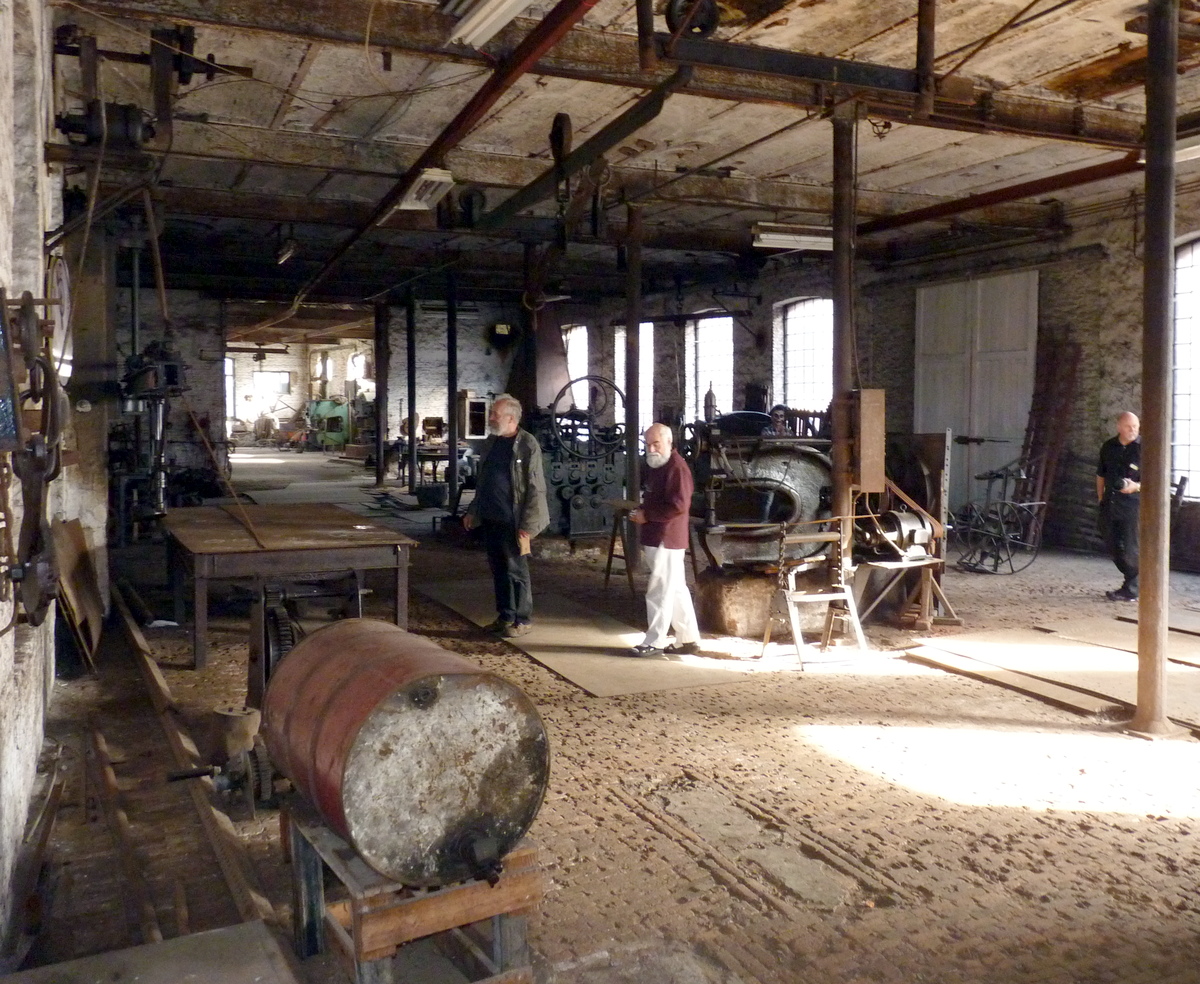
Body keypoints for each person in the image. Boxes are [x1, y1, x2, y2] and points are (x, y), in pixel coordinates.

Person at [462, 394, 549, 637]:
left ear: (511, 418)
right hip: (492, 517)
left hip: (514, 520)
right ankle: (505, 616)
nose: (490, 418)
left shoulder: (527, 444)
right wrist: (473, 510)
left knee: (516, 570)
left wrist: (528, 526)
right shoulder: (492, 441)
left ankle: (523, 619)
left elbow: (535, 488)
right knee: (499, 569)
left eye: (495, 415)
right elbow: (484, 481)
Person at [627, 423, 702, 657]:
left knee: (659, 590)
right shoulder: (660, 465)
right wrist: (644, 510)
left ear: (670, 442)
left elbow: (679, 506)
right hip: (660, 536)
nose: (651, 449)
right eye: (647, 444)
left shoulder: (676, 468)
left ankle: (655, 641)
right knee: (676, 588)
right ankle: (688, 639)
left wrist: (647, 515)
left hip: (666, 538)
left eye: (656, 444)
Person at [1096, 410, 1141, 601]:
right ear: (1119, 427)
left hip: (1133, 506)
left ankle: (1132, 589)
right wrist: (1100, 497)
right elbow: (1101, 474)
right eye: (1128, 427)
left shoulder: (1144, 448)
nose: (1133, 430)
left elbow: (1155, 480)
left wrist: (1136, 486)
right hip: (1110, 504)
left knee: (1131, 548)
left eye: (1136, 427)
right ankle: (1134, 580)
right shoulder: (1109, 447)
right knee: (1112, 544)